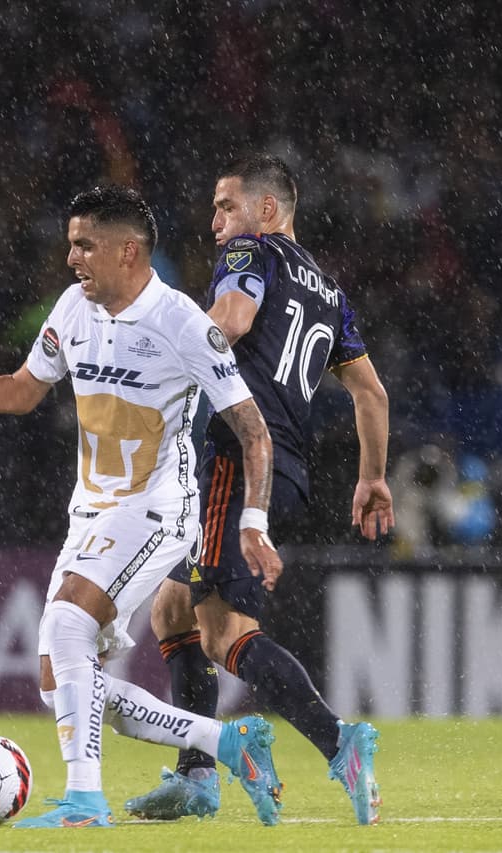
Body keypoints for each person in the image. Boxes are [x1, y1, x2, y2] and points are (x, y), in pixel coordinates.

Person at [0, 185, 286, 828]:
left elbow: (252, 429)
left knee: (68, 628)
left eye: (84, 245)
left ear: (128, 251)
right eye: (70, 243)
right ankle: (227, 743)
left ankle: (84, 802)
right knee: (66, 683)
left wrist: (254, 521)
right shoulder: (74, 308)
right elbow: (22, 392)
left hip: (159, 508)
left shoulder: (183, 322)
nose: (71, 256)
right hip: (92, 512)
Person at [124, 154, 395, 826]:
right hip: (288, 467)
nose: (216, 223)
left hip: (235, 452)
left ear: (267, 210)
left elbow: (233, 321)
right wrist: (371, 476)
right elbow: (372, 393)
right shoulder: (330, 292)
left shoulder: (254, 250)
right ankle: (195, 775)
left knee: (221, 634)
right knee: (172, 611)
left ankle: (338, 741)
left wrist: (161, 351)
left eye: (225, 206)